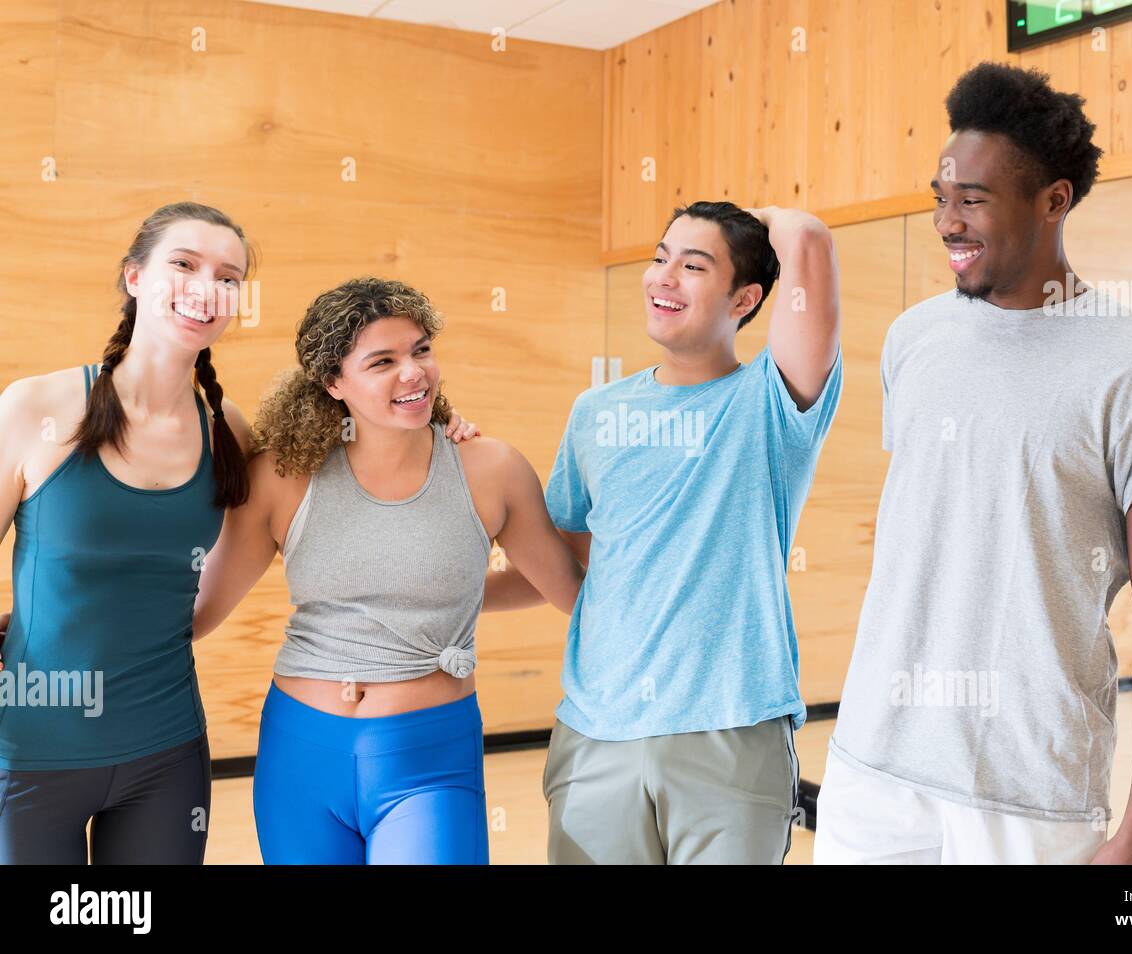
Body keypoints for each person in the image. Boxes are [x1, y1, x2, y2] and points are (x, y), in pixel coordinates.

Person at [814, 62, 1132, 865]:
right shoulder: (912, 340)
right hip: (873, 771)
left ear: (1054, 201)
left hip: (1029, 792)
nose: (947, 222)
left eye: (973, 200)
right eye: (940, 197)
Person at [486, 201, 843, 864]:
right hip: (597, 736)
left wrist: (746, 216)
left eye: (694, 264)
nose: (663, 277)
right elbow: (569, 574)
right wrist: (450, 595)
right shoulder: (596, 413)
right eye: (659, 257)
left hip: (730, 733)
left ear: (745, 298)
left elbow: (811, 242)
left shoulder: (771, 400)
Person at [193, 276, 583, 864]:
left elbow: (563, 587)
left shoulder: (489, 469)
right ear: (333, 382)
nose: (414, 372)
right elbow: (198, 613)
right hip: (300, 751)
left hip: (428, 755)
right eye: (383, 361)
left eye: (421, 350)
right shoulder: (279, 476)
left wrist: (456, 595)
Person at [0, 202, 256, 863]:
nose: (207, 287)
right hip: (31, 756)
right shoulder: (36, 409)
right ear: (134, 276)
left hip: (167, 759)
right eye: (184, 263)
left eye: (229, 277)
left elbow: (339, 457)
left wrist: (445, 427)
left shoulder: (231, 433)